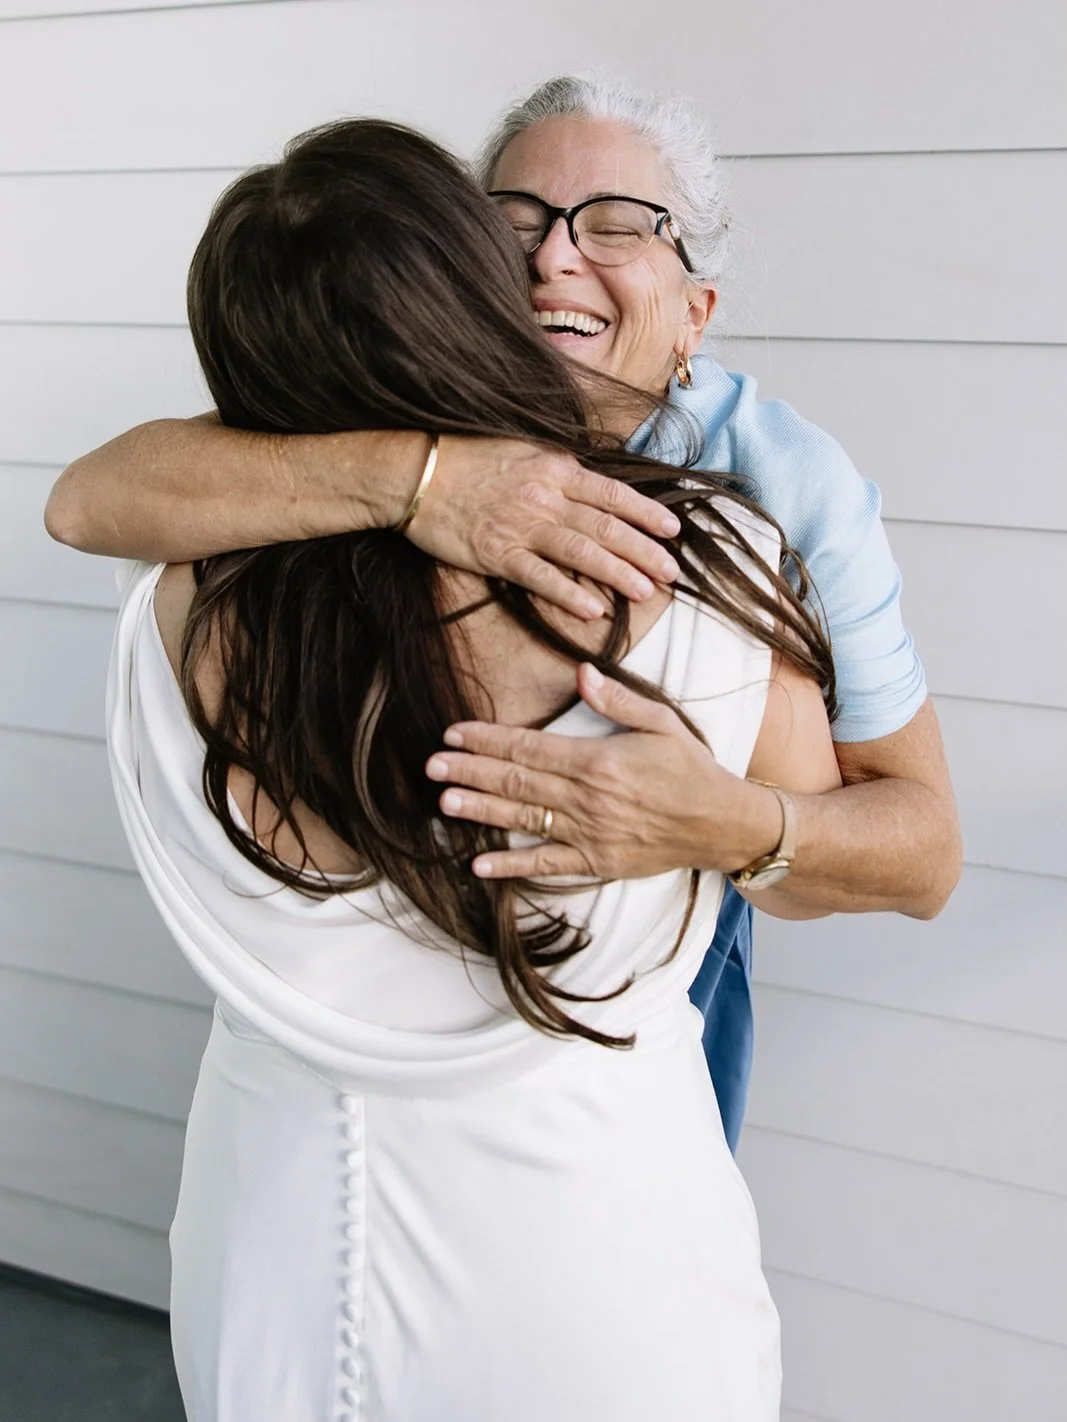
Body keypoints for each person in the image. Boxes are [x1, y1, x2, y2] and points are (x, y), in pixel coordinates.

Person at [48, 76, 961, 1149]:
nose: (552, 258)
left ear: (694, 314)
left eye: (616, 225)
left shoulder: (777, 486)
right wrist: (427, 481)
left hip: (654, 971)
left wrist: (727, 821)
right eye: (511, 224)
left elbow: (922, 851)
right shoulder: (389, 410)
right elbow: (90, 497)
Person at [107, 117, 840, 1420]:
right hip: (608, 1292)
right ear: (469, 300)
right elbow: (819, 864)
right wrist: (738, 826)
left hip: (272, 1264)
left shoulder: (176, 602)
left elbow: (94, 495)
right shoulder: (710, 566)